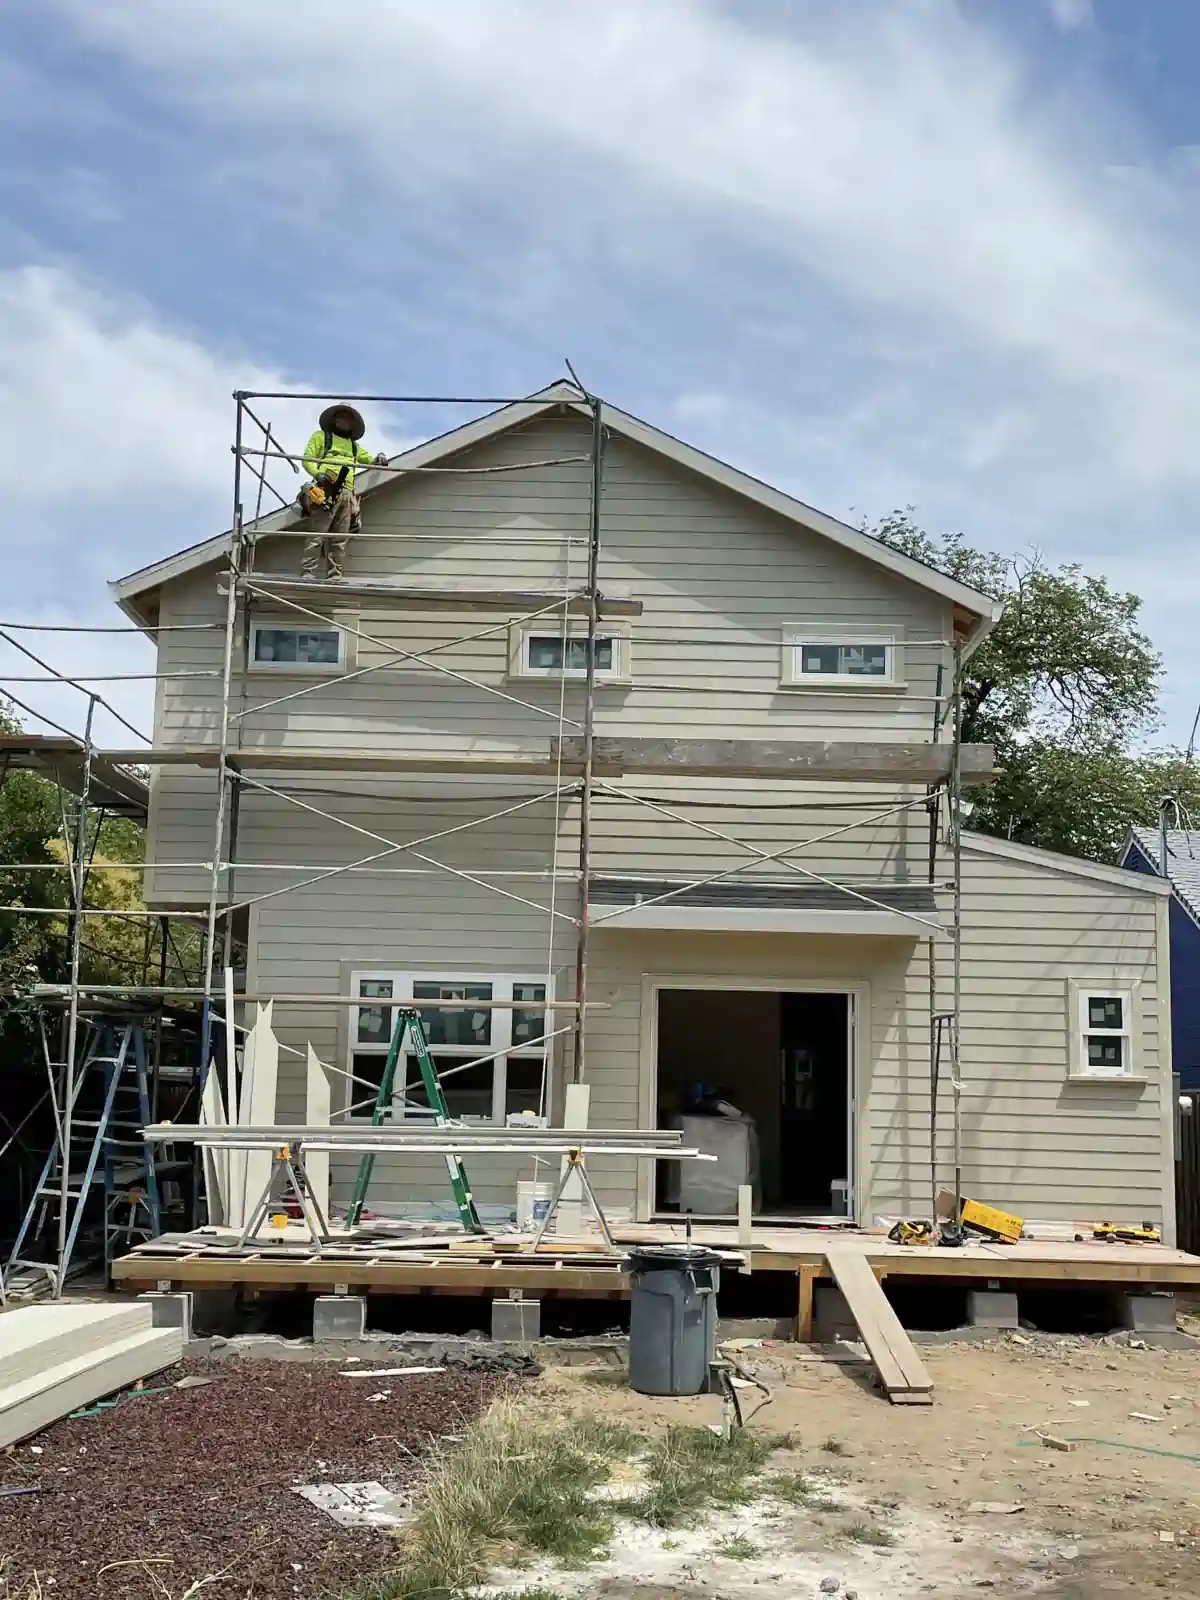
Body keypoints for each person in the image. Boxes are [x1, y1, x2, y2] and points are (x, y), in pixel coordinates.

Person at [297, 403, 387, 579]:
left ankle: (334, 575)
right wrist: (319, 474)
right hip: (325, 490)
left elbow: (370, 460)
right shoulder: (323, 437)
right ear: (334, 420)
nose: (344, 421)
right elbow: (307, 459)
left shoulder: (353, 447)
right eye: (341, 417)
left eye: (348, 419)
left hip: (346, 492)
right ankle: (308, 572)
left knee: (340, 537)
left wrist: (379, 459)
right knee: (317, 534)